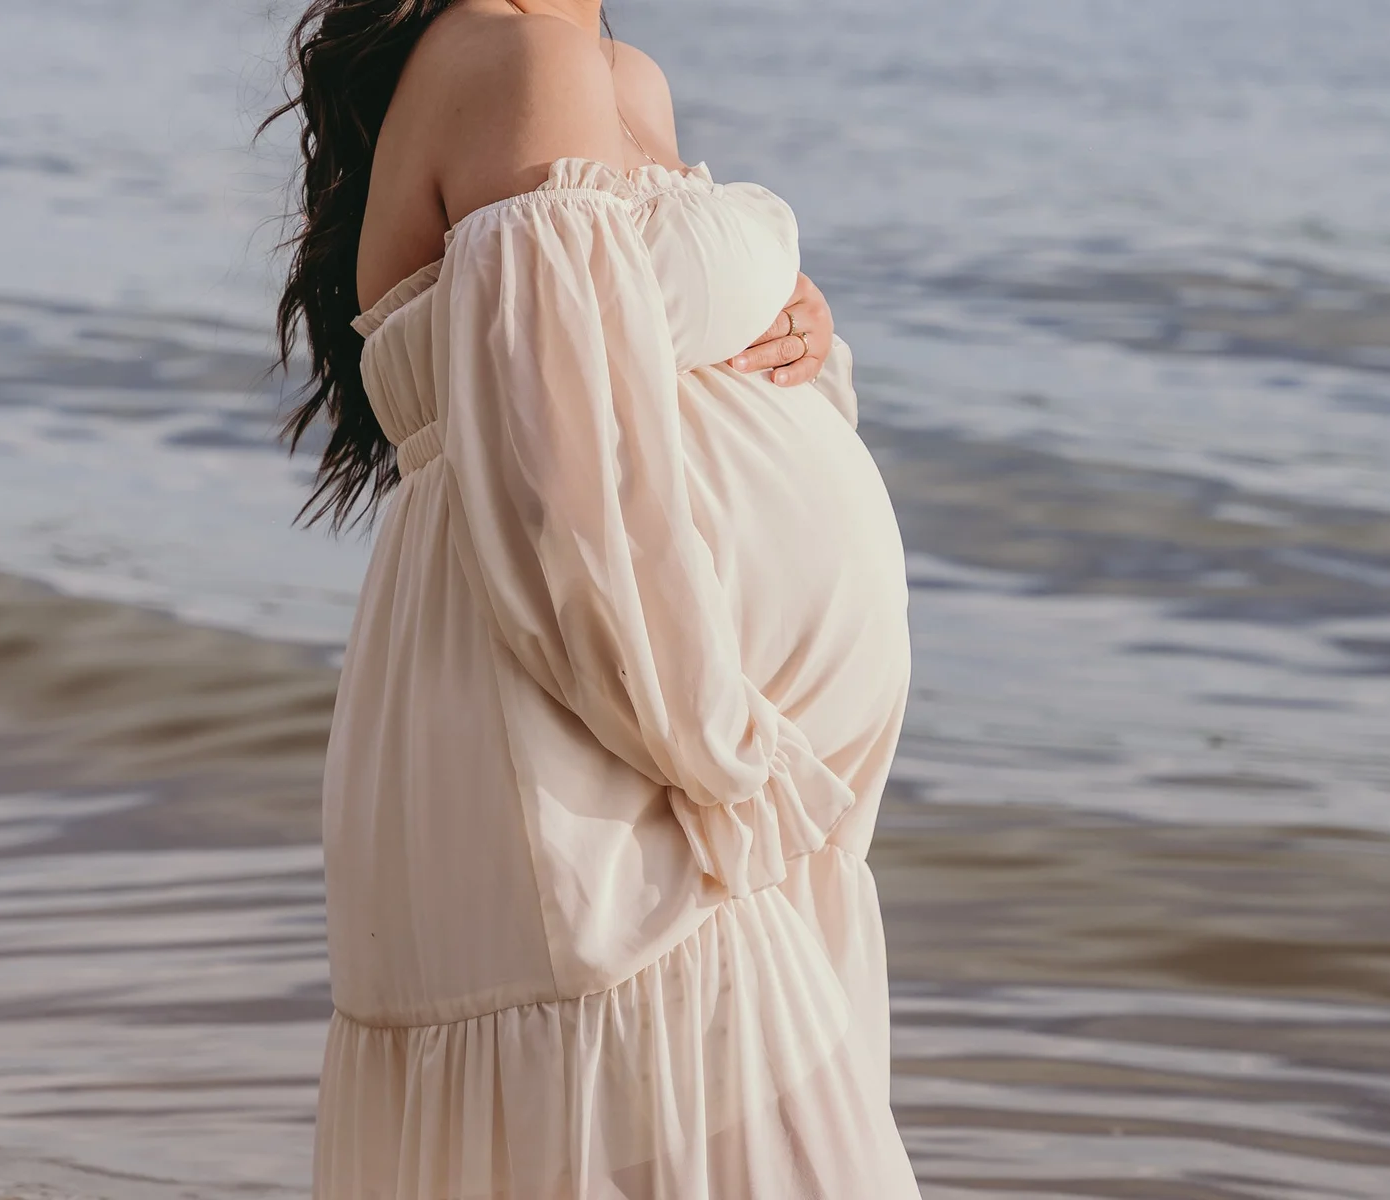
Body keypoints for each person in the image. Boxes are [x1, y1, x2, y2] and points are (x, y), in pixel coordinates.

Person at [265, 0, 917, 1194]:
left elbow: (638, 361)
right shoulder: (513, 56)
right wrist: (721, 758)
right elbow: (561, 499)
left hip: (652, 756)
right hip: (604, 754)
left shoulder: (616, 74)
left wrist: (798, 328)